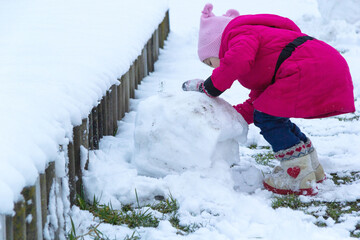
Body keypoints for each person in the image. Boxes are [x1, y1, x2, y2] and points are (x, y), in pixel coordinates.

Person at [182, 3, 355, 196]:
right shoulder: (266, 48)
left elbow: (237, 61)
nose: (212, 68)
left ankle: (297, 176)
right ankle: (310, 167)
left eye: (209, 62)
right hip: (325, 63)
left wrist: (209, 87)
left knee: (268, 117)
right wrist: (227, 116)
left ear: (217, 45)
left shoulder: (240, 34)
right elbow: (258, 102)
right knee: (271, 113)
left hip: (310, 67)